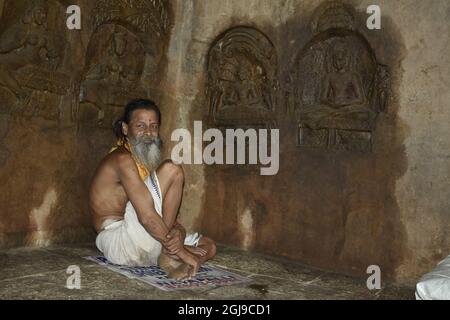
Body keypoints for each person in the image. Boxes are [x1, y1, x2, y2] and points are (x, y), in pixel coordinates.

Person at [89, 99, 216, 280]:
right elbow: (147, 217)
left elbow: (164, 216)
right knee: (172, 169)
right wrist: (183, 252)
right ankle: (173, 256)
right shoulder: (122, 160)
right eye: (140, 126)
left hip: (146, 239)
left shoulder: (143, 162)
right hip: (121, 242)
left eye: (154, 126)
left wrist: (178, 234)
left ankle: (168, 255)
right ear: (125, 129)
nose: (148, 132)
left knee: (208, 245)